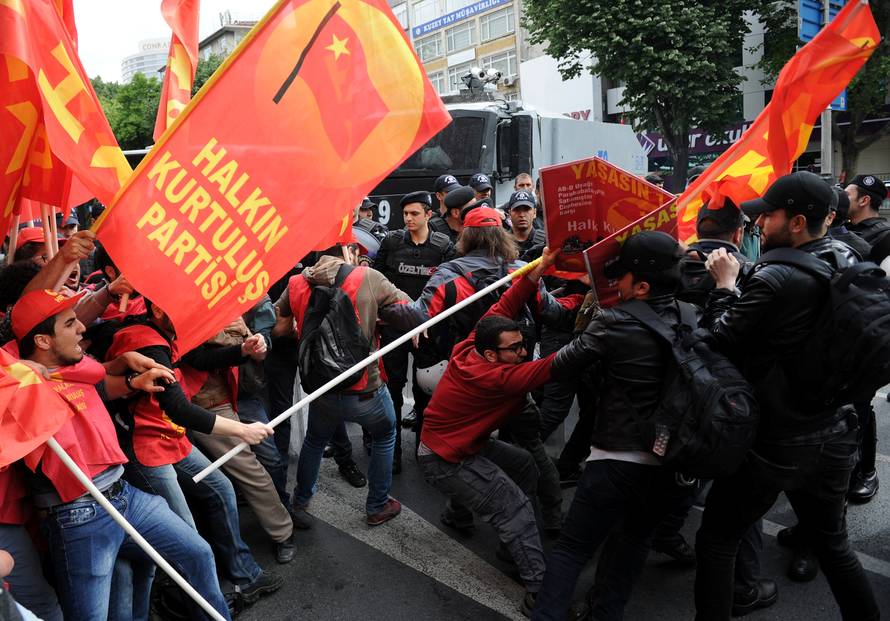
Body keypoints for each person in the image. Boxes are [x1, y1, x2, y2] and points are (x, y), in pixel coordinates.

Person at [694, 171, 879, 621]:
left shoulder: (775, 275)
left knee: (718, 537)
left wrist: (724, 285)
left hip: (776, 440)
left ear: (796, 222)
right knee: (833, 545)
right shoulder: (850, 256)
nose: (761, 224)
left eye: (770, 215)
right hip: (836, 430)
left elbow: (719, 338)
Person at [10, 289, 233, 621]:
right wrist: (14, 372)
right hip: (78, 516)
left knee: (198, 554)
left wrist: (133, 378)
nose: (83, 329)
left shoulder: (76, 367)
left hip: (127, 496)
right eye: (70, 323)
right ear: (42, 342)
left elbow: (99, 386)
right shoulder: (15, 383)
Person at [531, 231, 695, 621]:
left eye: (620, 277)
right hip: (671, 460)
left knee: (572, 548)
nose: (613, 283)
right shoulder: (694, 316)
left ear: (640, 285)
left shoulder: (613, 323)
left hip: (615, 459)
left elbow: (558, 366)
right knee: (633, 544)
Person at [106, 300, 284, 601]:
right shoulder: (146, 343)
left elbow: (199, 358)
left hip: (171, 438)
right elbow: (179, 409)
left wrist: (243, 351)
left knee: (221, 490)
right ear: (160, 310)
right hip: (147, 448)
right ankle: (208, 601)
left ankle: (244, 574)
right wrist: (243, 430)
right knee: (187, 536)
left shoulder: (167, 332)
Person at [418, 248, 562, 616]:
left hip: (458, 446)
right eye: (515, 348)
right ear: (494, 356)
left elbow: (504, 306)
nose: (524, 349)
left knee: (524, 466)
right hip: (446, 459)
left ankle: (461, 516)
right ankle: (538, 591)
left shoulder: (474, 345)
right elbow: (562, 362)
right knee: (514, 509)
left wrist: (537, 270)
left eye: (522, 344)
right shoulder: (500, 377)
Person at [274, 243, 413, 526]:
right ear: (347, 251)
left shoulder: (296, 282)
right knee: (385, 435)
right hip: (364, 387)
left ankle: (301, 502)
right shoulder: (367, 277)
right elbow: (408, 310)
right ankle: (376, 505)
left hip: (321, 388)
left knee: (314, 441)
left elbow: (279, 326)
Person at [186, 320, 296, 564]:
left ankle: (282, 530)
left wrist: (256, 347)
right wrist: (242, 349)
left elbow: (255, 348)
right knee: (203, 487)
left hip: (223, 399)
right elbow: (196, 357)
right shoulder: (169, 313)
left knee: (256, 465)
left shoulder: (225, 306)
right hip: (186, 408)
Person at [372, 191, 455, 471]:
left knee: (425, 394)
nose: (408, 219)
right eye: (405, 214)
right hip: (395, 328)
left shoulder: (444, 246)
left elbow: (451, 288)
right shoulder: (392, 242)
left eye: (414, 213)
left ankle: (424, 451)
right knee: (392, 390)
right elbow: (376, 280)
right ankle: (391, 453)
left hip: (429, 331)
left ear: (429, 214)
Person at [845, 173, 890, 263]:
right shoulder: (843, 227)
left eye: (846, 195)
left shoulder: (885, 236)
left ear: (864, 201)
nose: (842, 199)